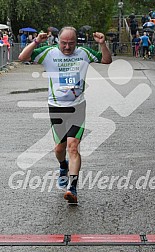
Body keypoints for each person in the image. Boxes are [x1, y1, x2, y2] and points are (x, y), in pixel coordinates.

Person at [18, 26, 112, 204]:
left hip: (77, 107)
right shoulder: (49, 53)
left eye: (71, 43)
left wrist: (102, 44)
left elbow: (107, 60)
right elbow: (22, 57)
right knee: (59, 149)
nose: (67, 47)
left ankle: (73, 187)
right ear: (58, 40)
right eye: (64, 43)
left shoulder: (84, 53)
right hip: (56, 107)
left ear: (77, 42)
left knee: (73, 147)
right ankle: (63, 166)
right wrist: (37, 41)